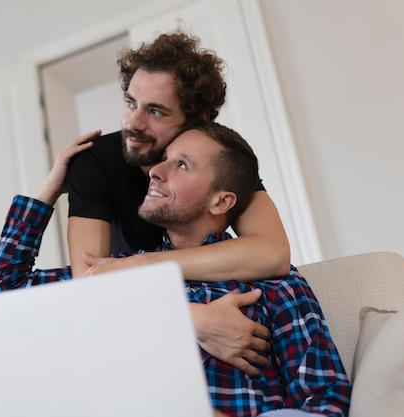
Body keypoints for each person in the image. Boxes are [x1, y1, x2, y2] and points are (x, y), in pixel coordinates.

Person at [0, 123, 351, 417]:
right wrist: (49, 191)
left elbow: (325, 403)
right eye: (164, 159)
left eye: (181, 165)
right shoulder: (117, 275)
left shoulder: (274, 284)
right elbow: (1, 294)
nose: (155, 171)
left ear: (221, 200)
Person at [66, 28, 287, 376]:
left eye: (155, 111)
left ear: (197, 121)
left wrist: (142, 265)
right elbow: (91, 286)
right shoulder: (95, 163)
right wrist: (191, 319)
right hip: (135, 329)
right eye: (130, 103)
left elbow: (273, 254)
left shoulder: (218, 160)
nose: (133, 124)